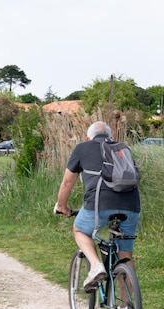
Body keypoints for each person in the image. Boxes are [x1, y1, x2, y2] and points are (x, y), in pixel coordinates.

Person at [55, 121, 140, 289]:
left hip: (99, 204)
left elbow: (66, 183)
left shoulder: (82, 148)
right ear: (110, 137)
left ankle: (95, 266)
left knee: (79, 230)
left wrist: (61, 207)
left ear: (88, 137)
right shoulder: (122, 149)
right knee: (126, 256)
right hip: (131, 204)